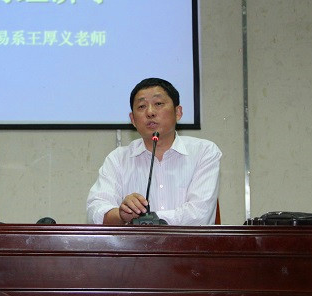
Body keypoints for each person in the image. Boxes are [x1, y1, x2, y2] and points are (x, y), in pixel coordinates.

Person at [86, 78, 221, 226]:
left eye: (158, 104)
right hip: (134, 242)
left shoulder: (204, 152)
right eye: (142, 106)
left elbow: (199, 215)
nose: (150, 112)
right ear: (133, 119)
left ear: (178, 112)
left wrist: (142, 220)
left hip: (188, 242)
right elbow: (95, 211)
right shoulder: (118, 159)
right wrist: (121, 215)